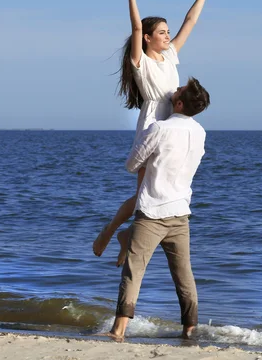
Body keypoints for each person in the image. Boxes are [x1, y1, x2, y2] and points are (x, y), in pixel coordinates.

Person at [92, 0, 222, 266]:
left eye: (167, 31)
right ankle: (112, 232)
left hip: (175, 125)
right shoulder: (141, 62)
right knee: (142, 194)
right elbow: (136, 27)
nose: (167, 35)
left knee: (151, 193)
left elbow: (190, 22)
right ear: (148, 38)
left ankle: (124, 236)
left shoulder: (169, 56)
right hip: (154, 123)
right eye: (162, 32)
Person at [108, 76, 211, 341]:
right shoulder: (200, 132)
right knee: (184, 275)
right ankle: (190, 329)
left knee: (134, 271)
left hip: (153, 212)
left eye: (179, 89)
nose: (175, 89)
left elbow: (132, 165)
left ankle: (119, 331)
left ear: (177, 102)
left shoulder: (159, 129)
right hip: (181, 211)